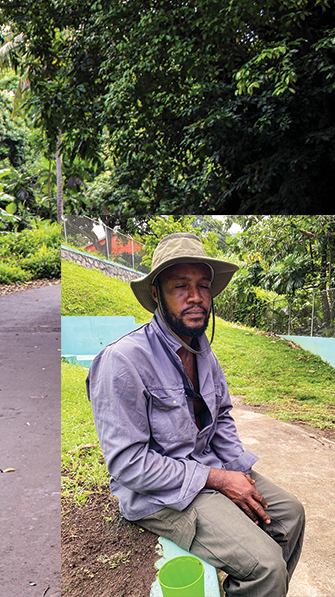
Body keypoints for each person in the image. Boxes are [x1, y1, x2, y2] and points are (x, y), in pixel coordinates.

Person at [86, 232, 306, 597]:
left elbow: (221, 417)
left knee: (291, 514)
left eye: (203, 286)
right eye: (180, 286)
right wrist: (218, 479)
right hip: (159, 493)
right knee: (265, 564)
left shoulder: (203, 352)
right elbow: (128, 464)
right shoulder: (123, 361)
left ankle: (256, 586)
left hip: (208, 465)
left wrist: (237, 471)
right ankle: (259, 578)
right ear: (156, 293)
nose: (196, 297)